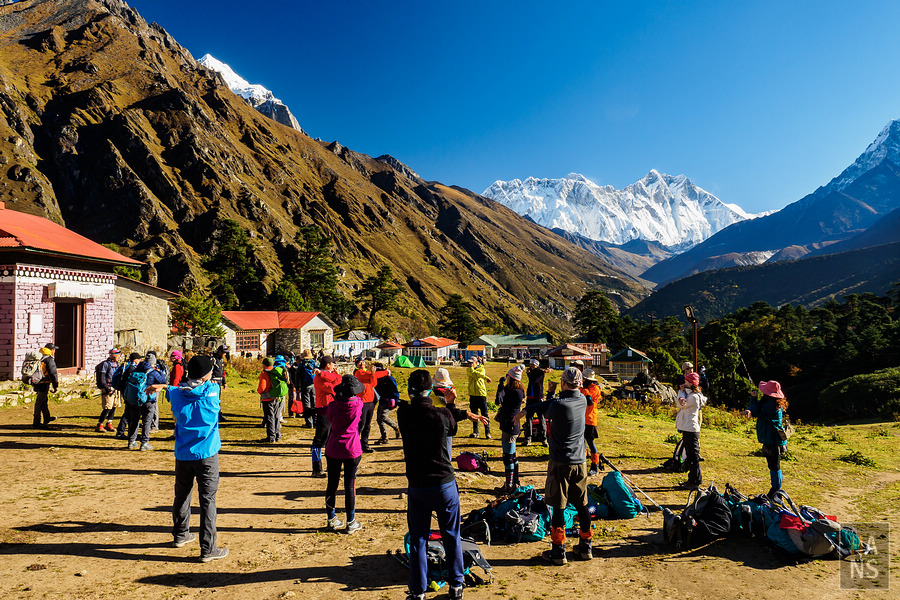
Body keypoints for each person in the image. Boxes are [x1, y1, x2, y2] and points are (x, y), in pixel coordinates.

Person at [399, 369, 488, 600]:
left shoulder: (405, 414)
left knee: (419, 538)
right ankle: (456, 584)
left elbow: (405, 404)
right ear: (432, 390)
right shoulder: (442, 415)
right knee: (451, 534)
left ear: (410, 391)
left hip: (418, 484)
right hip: (444, 483)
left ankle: (418, 590)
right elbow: (453, 426)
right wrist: (451, 403)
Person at [148, 354, 228, 562]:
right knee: (207, 500)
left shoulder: (177, 395)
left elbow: (178, 389)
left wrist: (163, 386)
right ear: (205, 376)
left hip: (183, 453)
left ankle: (181, 534)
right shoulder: (213, 391)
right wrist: (165, 386)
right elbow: (203, 387)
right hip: (207, 453)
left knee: (182, 494)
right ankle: (208, 548)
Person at [519, 367, 593, 565]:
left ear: (563, 383)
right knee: (582, 503)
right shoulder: (582, 400)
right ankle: (586, 547)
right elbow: (552, 403)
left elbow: (546, 406)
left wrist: (544, 397)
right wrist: (552, 395)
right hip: (580, 461)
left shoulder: (560, 405)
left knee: (558, 506)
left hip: (560, 461)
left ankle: (558, 551)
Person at [324, 374, 364, 533]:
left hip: (333, 447)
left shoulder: (333, 406)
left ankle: (331, 518)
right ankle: (351, 521)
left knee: (332, 484)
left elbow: (330, 418)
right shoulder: (359, 404)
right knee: (350, 485)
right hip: (352, 448)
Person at [743, 381, 789, 498]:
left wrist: (753, 399)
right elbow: (758, 408)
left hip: (772, 440)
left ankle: (775, 491)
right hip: (774, 439)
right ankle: (775, 489)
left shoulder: (769, 405)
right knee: (774, 466)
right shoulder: (774, 403)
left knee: (774, 466)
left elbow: (757, 411)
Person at [125, 352, 166, 451]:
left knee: (134, 420)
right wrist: (160, 371)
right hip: (148, 399)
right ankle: (144, 442)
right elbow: (163, 381)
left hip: (135, 399)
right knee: (147, 421)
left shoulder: (136, 369)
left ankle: (131, 441)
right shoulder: (153, 372)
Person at [495, 365, 525, 493]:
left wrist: (500, 389)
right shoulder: (519, 390)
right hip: (514, 425)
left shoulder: (512, 392)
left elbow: (499, 401)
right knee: (512, 455)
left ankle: (509, 485)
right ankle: (514, 482)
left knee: (507, 457)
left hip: (509, 425)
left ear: (511, 378)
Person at [676, 372, 706, 489]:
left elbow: (681, 405)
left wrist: (680, 394)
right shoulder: (690, 394)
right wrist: (681, 394)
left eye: (686, 381)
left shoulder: (693, 397)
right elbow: (681, 400)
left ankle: (695, 481)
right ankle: (693, 479)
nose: (684, 383)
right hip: (687, 427)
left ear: (690, 383)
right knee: (690, 455)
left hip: (691, 428)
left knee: (693, 456)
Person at [312, 356, 340, 477]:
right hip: (323, 409)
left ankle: (331, 466)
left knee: (331, 439)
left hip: (330, 408)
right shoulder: (319, 378)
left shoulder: (324, 375)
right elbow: (335, 387)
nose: (334, 366)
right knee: (320, 440)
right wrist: (337, 377)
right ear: (328, 365)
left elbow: (334, 380)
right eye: (333, 363)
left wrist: (334, 376)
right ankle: (316, 468)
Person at [354, 358, 389, 453]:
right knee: (362, 424)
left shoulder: (368, 373)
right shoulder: (358, 373)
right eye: (359, 362)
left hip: (370, 401)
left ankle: (364, 444)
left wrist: (385, 372)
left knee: (367, 425)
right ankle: (355, 444)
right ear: (357, 365)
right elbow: (373, 380)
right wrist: (377, 373)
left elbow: (373, 380)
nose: (362, 364)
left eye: (363, 362)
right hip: (363, 401)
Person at [257, 357, 288, 443]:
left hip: (267, 398)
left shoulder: (264, 373)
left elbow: (262, 387)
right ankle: (278, 435)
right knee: (276, 416)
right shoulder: (277, 372)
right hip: (277, 397)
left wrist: (259, 391)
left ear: (264, 364)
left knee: (269, 417)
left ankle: (271, 437)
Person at [114, 353, 143, 439]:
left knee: (129, 413)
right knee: (128, 413)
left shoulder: (128, 367)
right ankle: (120, 432)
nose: (140, 360)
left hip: (126, 392)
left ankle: (130, 432)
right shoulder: (132, 368)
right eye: (139, 359)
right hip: (129, 392)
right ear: (135, 360)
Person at [581, 368, 603, 476]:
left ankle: (595, 466)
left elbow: (588, 399)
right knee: (582, 443)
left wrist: (583, 389)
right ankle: (583, 463)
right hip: (582, 419)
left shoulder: (594, 389)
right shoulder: (586, 388)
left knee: (590, 443)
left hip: (589, 420)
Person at [32, 343, 59, 429]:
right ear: (51, 350)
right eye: (54, 349)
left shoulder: (39, 357)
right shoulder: (49, 359)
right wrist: (55, 386)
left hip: (36, 382)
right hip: (44, 382)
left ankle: (47, 418)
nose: (54, 351)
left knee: (43, 400)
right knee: (39, 402)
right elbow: (53, 373)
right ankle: (36, 422)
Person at [373, 364, 401, 444]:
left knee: (383, 417)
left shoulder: (389, 378)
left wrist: (395, 401)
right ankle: (384, 437)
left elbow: (395, 389)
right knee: (379, 419)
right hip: (383, 400)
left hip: (390, 400)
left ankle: (396, 427)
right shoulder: (375, 378)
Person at [96, 348, 122, 433]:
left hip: (116, 387)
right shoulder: (105, 364)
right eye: (117, 355)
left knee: (114, 406)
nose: (119, 356)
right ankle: (99, 424)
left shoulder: (117, 364)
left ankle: (109, 423)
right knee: (107, 407)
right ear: (113, 355)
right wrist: (107, 389)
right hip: (108, 388)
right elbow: (102, 378)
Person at [524, 359, 548, 447]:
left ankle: (544, 438)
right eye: (530, 364)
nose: (530, 366)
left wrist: (529, 374)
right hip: (530, 397)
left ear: (536, 365)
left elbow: (534, 380)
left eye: (532, 364)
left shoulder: (540, 373)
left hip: (538, 398)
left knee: (541, 418)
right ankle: (528, 437)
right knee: (529, 418)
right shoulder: (533, 372)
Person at [466, 357, 492, 439]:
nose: (470, 365)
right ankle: (475, 432)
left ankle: (487, 432)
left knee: (485, 414)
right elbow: (475, 374)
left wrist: (483, 376)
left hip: (481, 394)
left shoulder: (482, 369)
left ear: (476, 362)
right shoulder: (468, 370)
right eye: (469, 363)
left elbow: (478, 376)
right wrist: (485, 377)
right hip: (472, 394)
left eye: (472, 363)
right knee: (474, 414)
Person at [212, 345, 229, 422]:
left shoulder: (221, 360)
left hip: (219, 381)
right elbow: (210, 371)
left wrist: (224, 382)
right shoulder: (213, 360)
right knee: (214, 399)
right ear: (219, 352)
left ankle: (219, 414)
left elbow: (222, 372)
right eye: (224, 353)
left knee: (218, 399)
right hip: (214, 382)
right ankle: (215, 415)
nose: (225, 354)